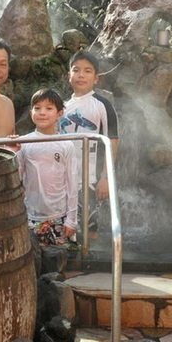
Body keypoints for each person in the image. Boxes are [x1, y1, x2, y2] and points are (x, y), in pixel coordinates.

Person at [58, 50, 118, 237]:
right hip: (63, 177)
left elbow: (111, 142)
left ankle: (88, 254)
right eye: (76, 70)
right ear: (69, 75)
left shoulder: (103, 105)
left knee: (89, 227)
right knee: (64, 226)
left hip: (90, 179)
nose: (81, 75)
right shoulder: (61, 107)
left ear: (96, 78)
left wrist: (106, 177)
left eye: (87, 71)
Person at [16, 89, 78, 246]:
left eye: (49, 108)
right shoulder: (24, 142)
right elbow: (17, 177)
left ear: (59, 114)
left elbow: (72, 184)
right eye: (37, 108)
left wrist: (71, 219)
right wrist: (13, 151)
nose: (42, 113)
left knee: (59, 256)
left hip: (59, 215)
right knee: (33, 255)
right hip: (31, 214)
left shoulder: (66, 144)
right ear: (31, 113)